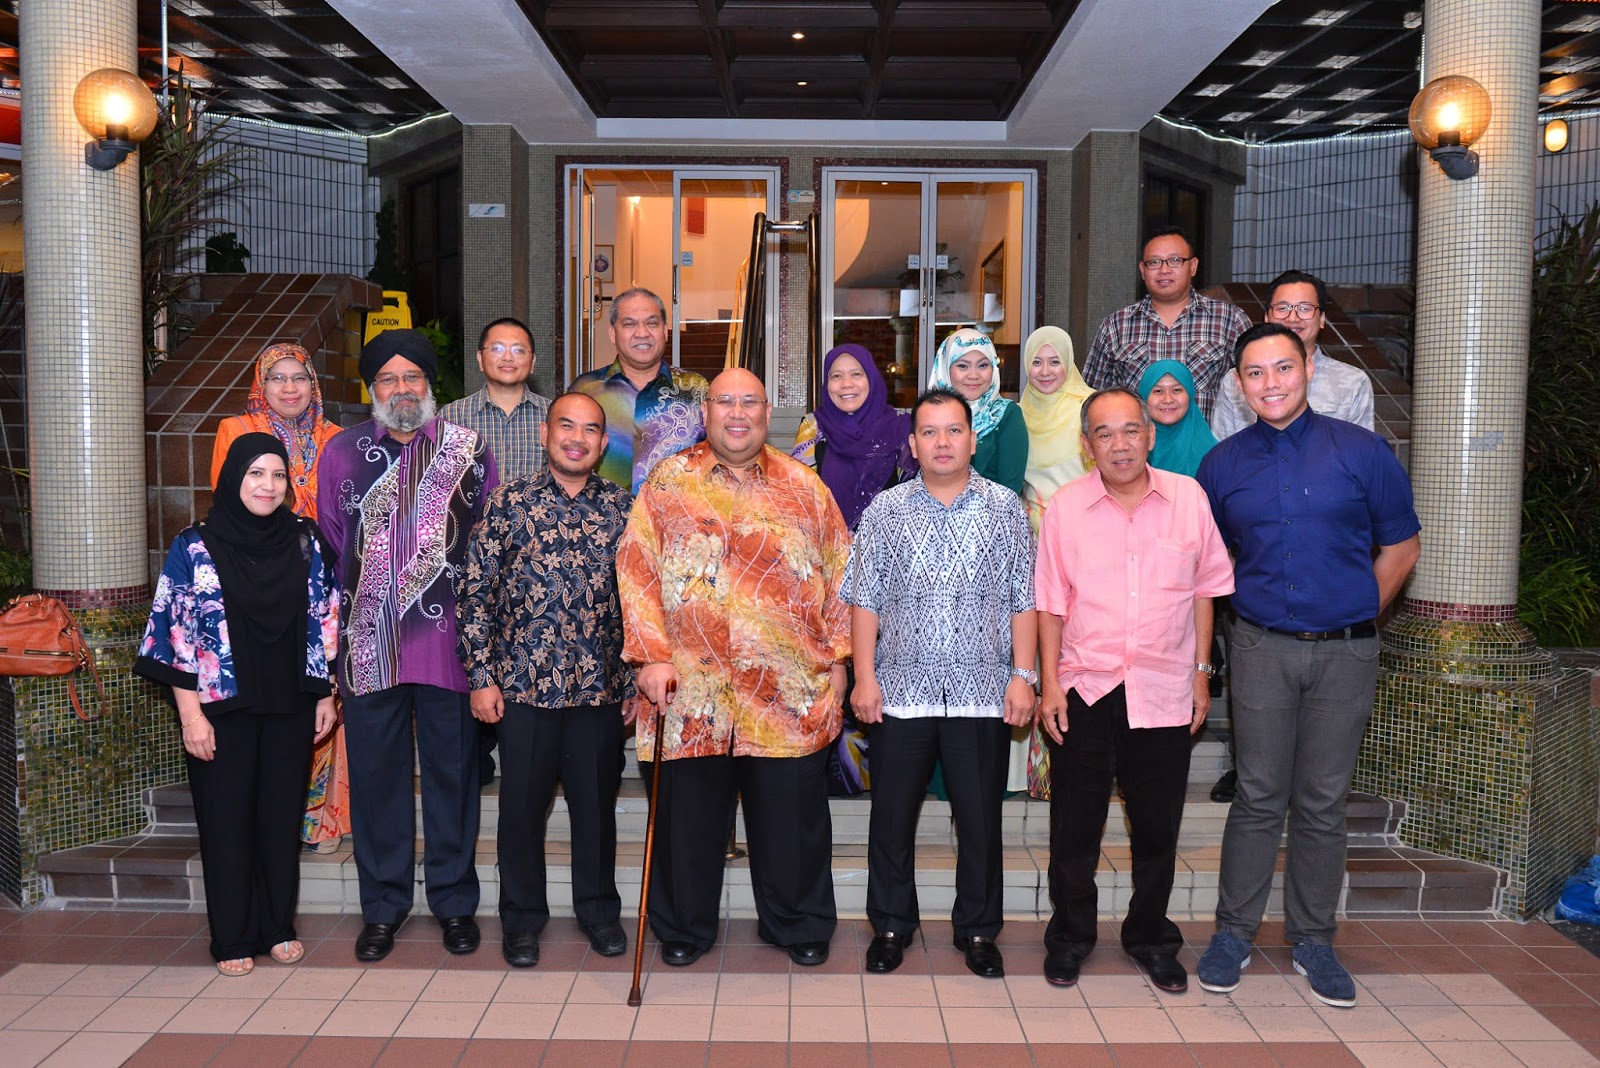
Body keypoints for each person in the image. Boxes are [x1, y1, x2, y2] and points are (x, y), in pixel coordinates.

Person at [1194, 323, 1420, 1009]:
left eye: (1283, 368)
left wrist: (1357, 612)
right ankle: (1233, 933)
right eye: (1255, 373)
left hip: (1347, 652)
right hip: (1260, 647)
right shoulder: (1222, 465)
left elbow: (1402, 547)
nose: (1271, 383)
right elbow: (1209, 560)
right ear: (1239, 384)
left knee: (1322, 801)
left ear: (1308, 370)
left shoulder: (1363, 452)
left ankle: (1314, 939)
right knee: (1259, 795)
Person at [616, 367, 852, 968]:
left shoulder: (805, 487)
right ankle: (683, 927)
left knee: (792, 824)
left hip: (787, 694)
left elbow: (841, 576)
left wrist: (840, 660)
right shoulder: (668, 482)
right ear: (707, 412)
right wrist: (650, 656)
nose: (738, 413)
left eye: (750, 402)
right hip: (689, 692)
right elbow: (636, 569)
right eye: (726, 401)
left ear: (767, 412)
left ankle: (798, 923)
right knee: (686, 825)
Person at [1034, 388, 1233, 993]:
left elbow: (1206, 589)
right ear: (1086, 444)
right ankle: (1070, 936)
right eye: (1104, 433)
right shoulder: (1066, 508)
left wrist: (1201, 671)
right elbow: (1050, 602)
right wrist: (1050, 685)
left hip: (1164, 687)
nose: (1118, 444)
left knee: (1157, 828)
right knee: (1075, 829)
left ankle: (1149, 937)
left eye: (1129, 431)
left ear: (1149, 435)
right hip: (1086, 688)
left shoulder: (1188, 498)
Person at [317, 328, 499, 963]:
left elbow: (484, 546)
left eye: (412, 377)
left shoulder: (469, 449)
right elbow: (334, 545)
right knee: (376, 782)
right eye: (388, 379)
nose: (402, 389)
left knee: (454, 780)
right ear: (372, 389)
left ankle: (454, 904)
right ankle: (383, 908)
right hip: (368, 645)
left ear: (430, 384)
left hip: (450, 648)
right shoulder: (341, 452)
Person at [843, 387, 1037, 980]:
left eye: (954, 430)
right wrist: (864, 677)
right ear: (913, 443)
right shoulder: (886, 511)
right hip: (901, 691)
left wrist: (1023, 676)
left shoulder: (1005, 510)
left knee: (979, 820)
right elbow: (864, 600)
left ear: (973, 440)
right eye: (930, 432)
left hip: (982, 691)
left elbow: (1023, 599)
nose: (943, 442)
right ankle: (891, 926)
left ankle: (978, 929)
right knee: (891, 818)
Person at [136, 434, 339, 976]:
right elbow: (173, 634)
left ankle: (277, 928)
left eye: (278, 474)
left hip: (292, 704)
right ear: (232, 477)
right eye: (255, 473)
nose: (268, 486)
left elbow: (325, 617)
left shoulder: (305, 540)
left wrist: (325, 692)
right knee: (226, 824)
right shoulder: (193, 546)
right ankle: (231, 937)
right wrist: (191, 717)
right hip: (220, 710)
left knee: (279, 820)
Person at [457, 392, 633, 968]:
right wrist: (481, 676)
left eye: (590, 430)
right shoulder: (508, 502)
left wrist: (633, 681)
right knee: (521, 814)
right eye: (566, 426)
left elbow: (640, 602)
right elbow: (475, 594)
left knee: (595, 812)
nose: (577, 438)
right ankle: (522, 919)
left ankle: (599, 913)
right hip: (522, 690)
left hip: (599, 691)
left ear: (602, 444)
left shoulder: (622, 508)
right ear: (545, 434)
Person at [210, 342, 349, 854]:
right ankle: (264, 821)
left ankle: (319, 818)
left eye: (300, 377)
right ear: (260, 384)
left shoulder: (336, 437)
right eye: (277, 378)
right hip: (255, 581)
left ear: (314, 384)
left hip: (320, 580)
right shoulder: (236, 430)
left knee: (321, 694)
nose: (290, 388)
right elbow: (227, 502)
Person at [791, 342, 915, 796]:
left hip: (891, 571)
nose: (846, 384)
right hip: (829, 572)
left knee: (884, 667)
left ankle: (888, 774)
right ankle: (839, 773)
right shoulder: (813, 427)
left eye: (856, 374)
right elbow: (798, 498)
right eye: (836, 376)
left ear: (872, 378)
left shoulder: (902, 428)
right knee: (836, 667)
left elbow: (916, 496)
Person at [439, 316, 551, 789]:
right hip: (467, 569)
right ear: (480, 358)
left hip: (537, 573)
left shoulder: (555, 418)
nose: (508, 357)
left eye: (518, 349)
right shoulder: (449, 420)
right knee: (469, 666)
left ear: (533, 360)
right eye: (498, 349)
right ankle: (476, 760)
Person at [1080, 226, 1251, 420]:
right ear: (1142, 270)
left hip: (1207, 439)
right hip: (1136, 439)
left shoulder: (1230, 320)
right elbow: (1091, 397)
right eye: (1154, 262)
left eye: (1175, 260)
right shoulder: (1115, 326)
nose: (1164, 270)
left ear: (1193, 266)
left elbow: (1252, 386)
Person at [1209, 270, 1376, 440]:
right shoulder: (1236, 379)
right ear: (1266, 317)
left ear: (1322, 319)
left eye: (1305, 308)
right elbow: (1222, 446)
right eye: (1283, 308)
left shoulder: (1352, 382)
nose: (1293, 318)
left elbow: (1360, 450)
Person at [571, 287, 708, 493]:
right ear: (612, 334)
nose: (642, 333)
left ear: (665, 331)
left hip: (676, 512)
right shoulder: (586, 390)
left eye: (652, 323)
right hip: (601, 511)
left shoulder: (696, 390)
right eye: (630, 324)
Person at [928, 327, 1027, 496]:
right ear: (945, 368)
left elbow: (1009, 492)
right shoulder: (929, 415)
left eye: (982, 365)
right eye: (963, 366)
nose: (973, 375)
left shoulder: (1005, 415)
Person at [1019, 325, 1093, 534]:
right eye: (1036, 362)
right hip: (1033, 530)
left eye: (1055, 362)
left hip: (1083, 525)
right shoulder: (1017, 414)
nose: (1045, 372)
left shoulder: (1090, 408)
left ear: (1068, 363)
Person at [1137, 360, 1217, 478]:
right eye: (1158, 391)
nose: (1168, 399)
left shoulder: (1213, 455)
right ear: (1144, 397)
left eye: (1176, 390)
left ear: (1190, 395)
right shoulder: (1130, 447)